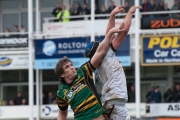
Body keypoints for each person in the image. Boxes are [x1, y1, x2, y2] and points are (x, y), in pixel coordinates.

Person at [54, 17, 125, 120]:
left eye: (71, 65)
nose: (72, 67)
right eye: (67, 67)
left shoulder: (83, 72)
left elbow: (100, 52)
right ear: (62, 74)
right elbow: (62, 113)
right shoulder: (61, 93)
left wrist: (110, 34)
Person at [84, 5, 141, 120]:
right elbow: (123, 31)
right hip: (115, 103)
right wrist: (130, 12)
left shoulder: (98, 60)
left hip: (111, 101)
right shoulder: (105, 55)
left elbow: (108, 36)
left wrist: (112, 15)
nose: (102, 43)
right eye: (99, 44)